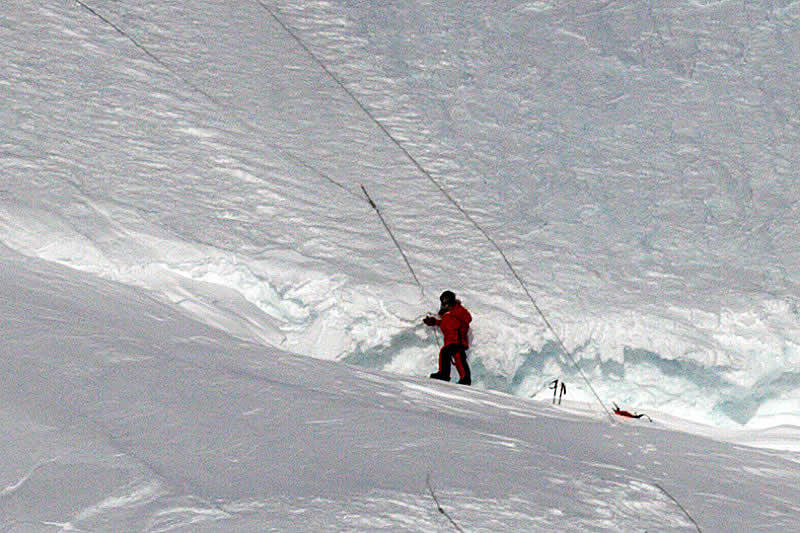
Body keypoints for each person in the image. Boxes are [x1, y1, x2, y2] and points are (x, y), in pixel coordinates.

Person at [423, 290, 472, 385]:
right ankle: (462, 378)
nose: (445, 303)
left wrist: (454, 309)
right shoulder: (447, 315)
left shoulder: (458, 310)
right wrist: (434, 322)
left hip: (458, 341)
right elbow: (445, 324)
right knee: (456, 357)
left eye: (447, 300)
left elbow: (468, 318)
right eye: (443, 301)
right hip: (450, 341)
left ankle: (446, 375)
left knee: (450, 354)